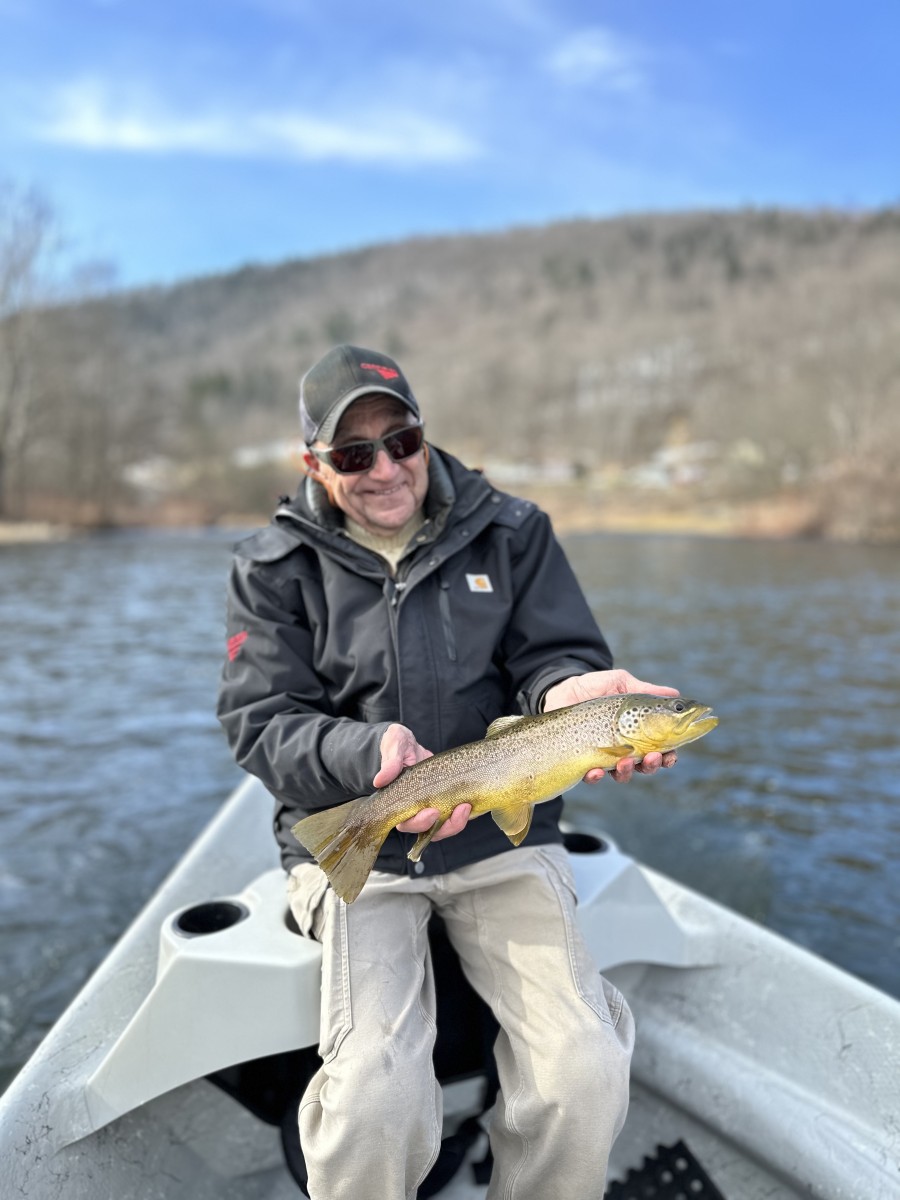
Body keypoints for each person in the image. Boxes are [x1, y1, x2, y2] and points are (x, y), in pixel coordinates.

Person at [216, 344, 680, 1200]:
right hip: (365, 843)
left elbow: (558, 658)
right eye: (354, 454)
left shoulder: (514, 531)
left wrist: (570, 689)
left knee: (582, 1068)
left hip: (505, 843)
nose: (386, 468)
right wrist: (369, 756)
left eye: (403, 440)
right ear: (313, 464)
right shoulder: (271, 565)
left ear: (425, 437)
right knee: (373, 1098)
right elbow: (259, 722)